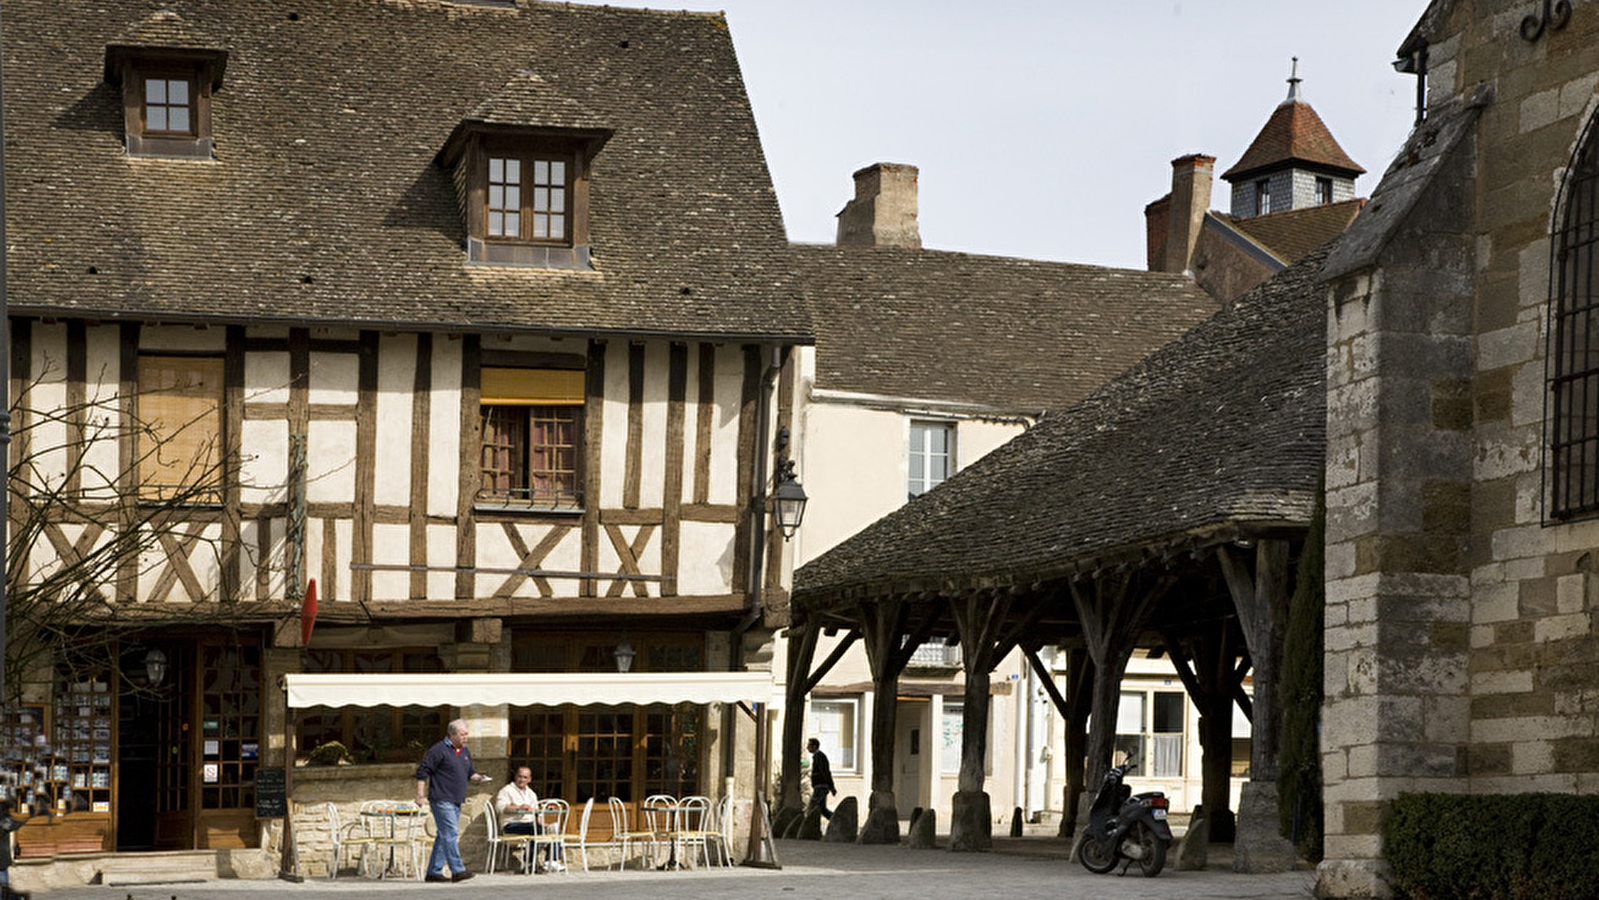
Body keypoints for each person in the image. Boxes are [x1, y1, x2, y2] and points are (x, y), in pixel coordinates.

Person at [415, 719, 490, 883]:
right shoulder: (438, 750)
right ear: (452, 734)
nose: (466, 737)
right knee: (450, 833)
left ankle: (433, 872)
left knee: (443, 835)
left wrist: (479, 778)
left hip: (456, 799)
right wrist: (420, 795)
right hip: (441, 798)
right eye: (463, 734)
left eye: (466, 734)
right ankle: (457, 870)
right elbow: (422, 771)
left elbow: (470, 772)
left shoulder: (464, 751)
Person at [494, 766, 565, 873]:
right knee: (535, 829)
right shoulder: (506, 790)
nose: (522, 780)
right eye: (520, 776)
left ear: (529, 779)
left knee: (553, 828)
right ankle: (529, 862)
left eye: (525, 777)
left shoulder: (531, 793)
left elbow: (537, 813)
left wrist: (543, 824)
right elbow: (500, 807)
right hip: (511, 825)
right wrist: (518, 807)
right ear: (515, 777)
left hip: (530, 825)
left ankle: (551, 861)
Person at [806, 737, 835, 821]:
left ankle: (835, 819)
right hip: (820, 786)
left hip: (820, 786)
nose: (807, 748)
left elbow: (825, 772)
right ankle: (835, 819)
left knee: (813, 807)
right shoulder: (817, 756)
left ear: (814, 746)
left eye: (809, 745)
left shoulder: (819, 757)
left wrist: (831, 787)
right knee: (822, 809)